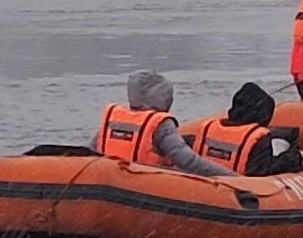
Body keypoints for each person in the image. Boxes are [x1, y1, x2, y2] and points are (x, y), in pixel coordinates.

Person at [93, 70, 235, 177]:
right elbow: (189, 161)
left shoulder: (115, 120)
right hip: (145, 185)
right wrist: (232, 178)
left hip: (111, 180)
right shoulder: (160, 125)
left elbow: (89, 150)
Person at [183, 82, 303, 176]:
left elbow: (182, 145)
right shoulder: (257, 138)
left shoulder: (207, 129)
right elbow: (263, 169)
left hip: (203, 186)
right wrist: (295, 158)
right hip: (236, 190)